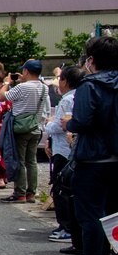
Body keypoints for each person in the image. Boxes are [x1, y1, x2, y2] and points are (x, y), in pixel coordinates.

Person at [61, 36, 118, 255]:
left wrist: (68, 123)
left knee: (90, 213)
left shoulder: (89, 85)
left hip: (94, 158)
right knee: (115, 212)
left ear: (91, 60)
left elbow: (82, 120)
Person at [0, 59, 51, 203]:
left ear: (26, 71)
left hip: (21, 128)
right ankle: (31, 193)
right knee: (32, 161)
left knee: (20, 161)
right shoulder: (44, 88)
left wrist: (7, 83)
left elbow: (2, 96)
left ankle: (20, 192)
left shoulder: (23, 87)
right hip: (36, 128)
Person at [45, 66, 81, 244]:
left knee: (61, 189)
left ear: (65, 81)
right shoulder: (78, 96)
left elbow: (61, 125)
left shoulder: (67, 100)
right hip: (67, 148)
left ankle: (66, 227)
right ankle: (66, 227)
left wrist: (48, 124)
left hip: (63, 149)